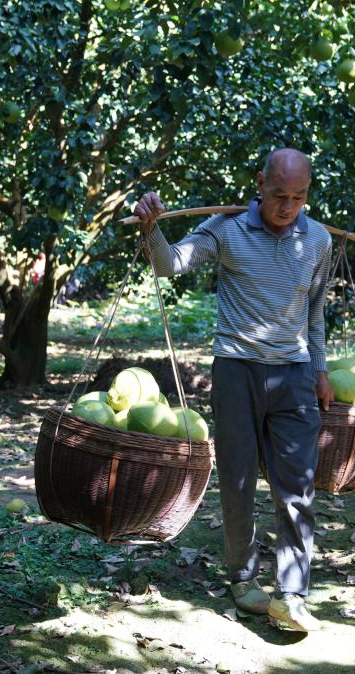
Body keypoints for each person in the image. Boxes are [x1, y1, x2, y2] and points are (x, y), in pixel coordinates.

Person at [134, 148, 333, 632]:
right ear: (259, 182)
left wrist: (321, 372)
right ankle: (243, 579)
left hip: (294, 373)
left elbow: (316, 313)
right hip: (236, 372)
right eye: (279, 195)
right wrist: (151, 227)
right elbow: (168, 264)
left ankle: (292, 594)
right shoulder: (226, 229)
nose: (288, 206)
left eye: (299, 197)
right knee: (238, 480)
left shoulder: (319, 239)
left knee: (297, 487)